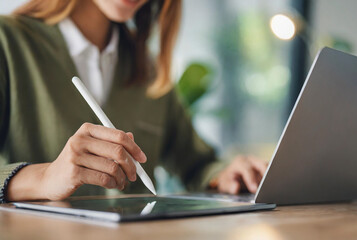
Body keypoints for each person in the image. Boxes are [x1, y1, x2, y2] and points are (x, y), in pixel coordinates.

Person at [0, 0, 268, 203]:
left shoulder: (148, 71)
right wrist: (45, 178)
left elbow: (197, 164)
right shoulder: (8, 43)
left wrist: (227, 173)